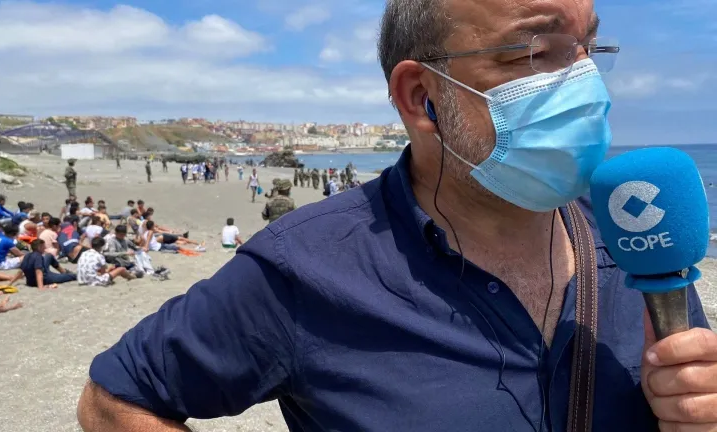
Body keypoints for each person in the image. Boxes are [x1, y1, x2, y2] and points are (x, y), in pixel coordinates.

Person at [78, 2, 716, 432]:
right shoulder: (305, 267)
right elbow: (114, 399)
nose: (586, 83)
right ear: (421, 96)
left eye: (588, 48)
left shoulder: (637, 226)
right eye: (536, 51)